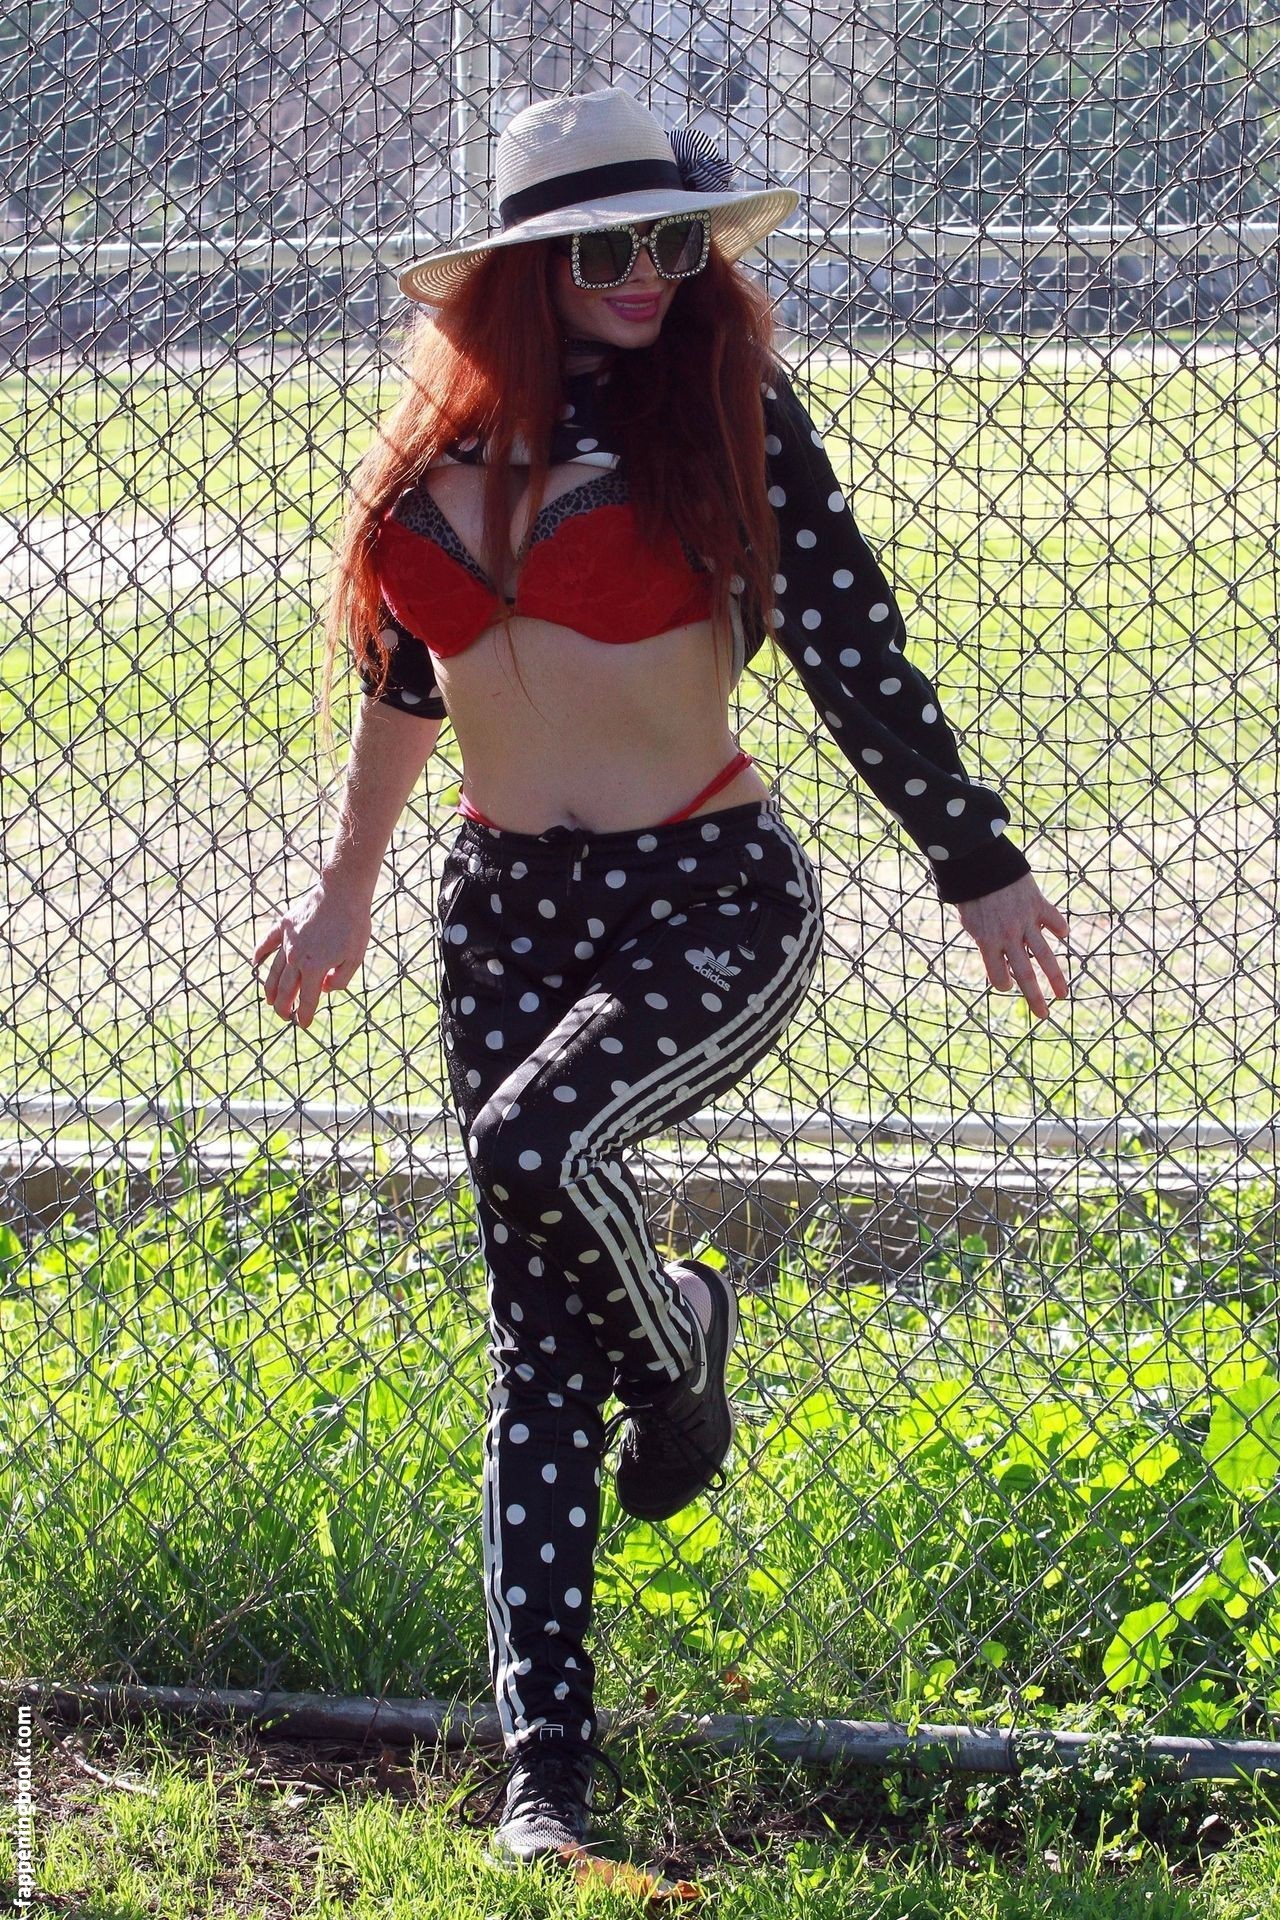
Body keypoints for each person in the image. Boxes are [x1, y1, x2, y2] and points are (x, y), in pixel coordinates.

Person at [253, 84, 1069, 1872]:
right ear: (525, 272)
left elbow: (853, 645)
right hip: (504, 913)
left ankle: (688, 1342)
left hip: (709, 894)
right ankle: (545, 1779)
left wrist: (977, 862)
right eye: (606, 247)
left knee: (534, 1150)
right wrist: (343, 896)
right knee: (536, 1348)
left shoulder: (726, 413)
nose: (647, 274)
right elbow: (405, 688)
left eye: (675, 240)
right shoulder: (437, 450)